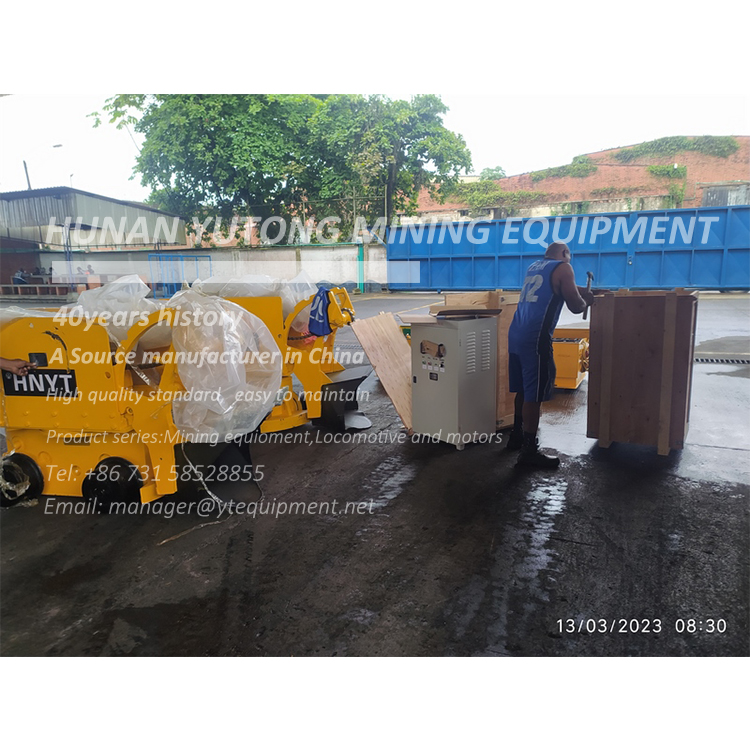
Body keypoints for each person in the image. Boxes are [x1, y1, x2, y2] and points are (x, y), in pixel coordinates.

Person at [507, 241, 594, 468]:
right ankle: (528, 452)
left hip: (516, 333)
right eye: (569, 256)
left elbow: (560, 290)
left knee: (524, 389)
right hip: (536, 338)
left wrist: (582, 291)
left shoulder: (535, 267)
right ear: (564, 254)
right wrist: (588, 300)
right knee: (534, 393)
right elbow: (576, 306)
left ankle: (516, 435)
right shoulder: (564, 268)